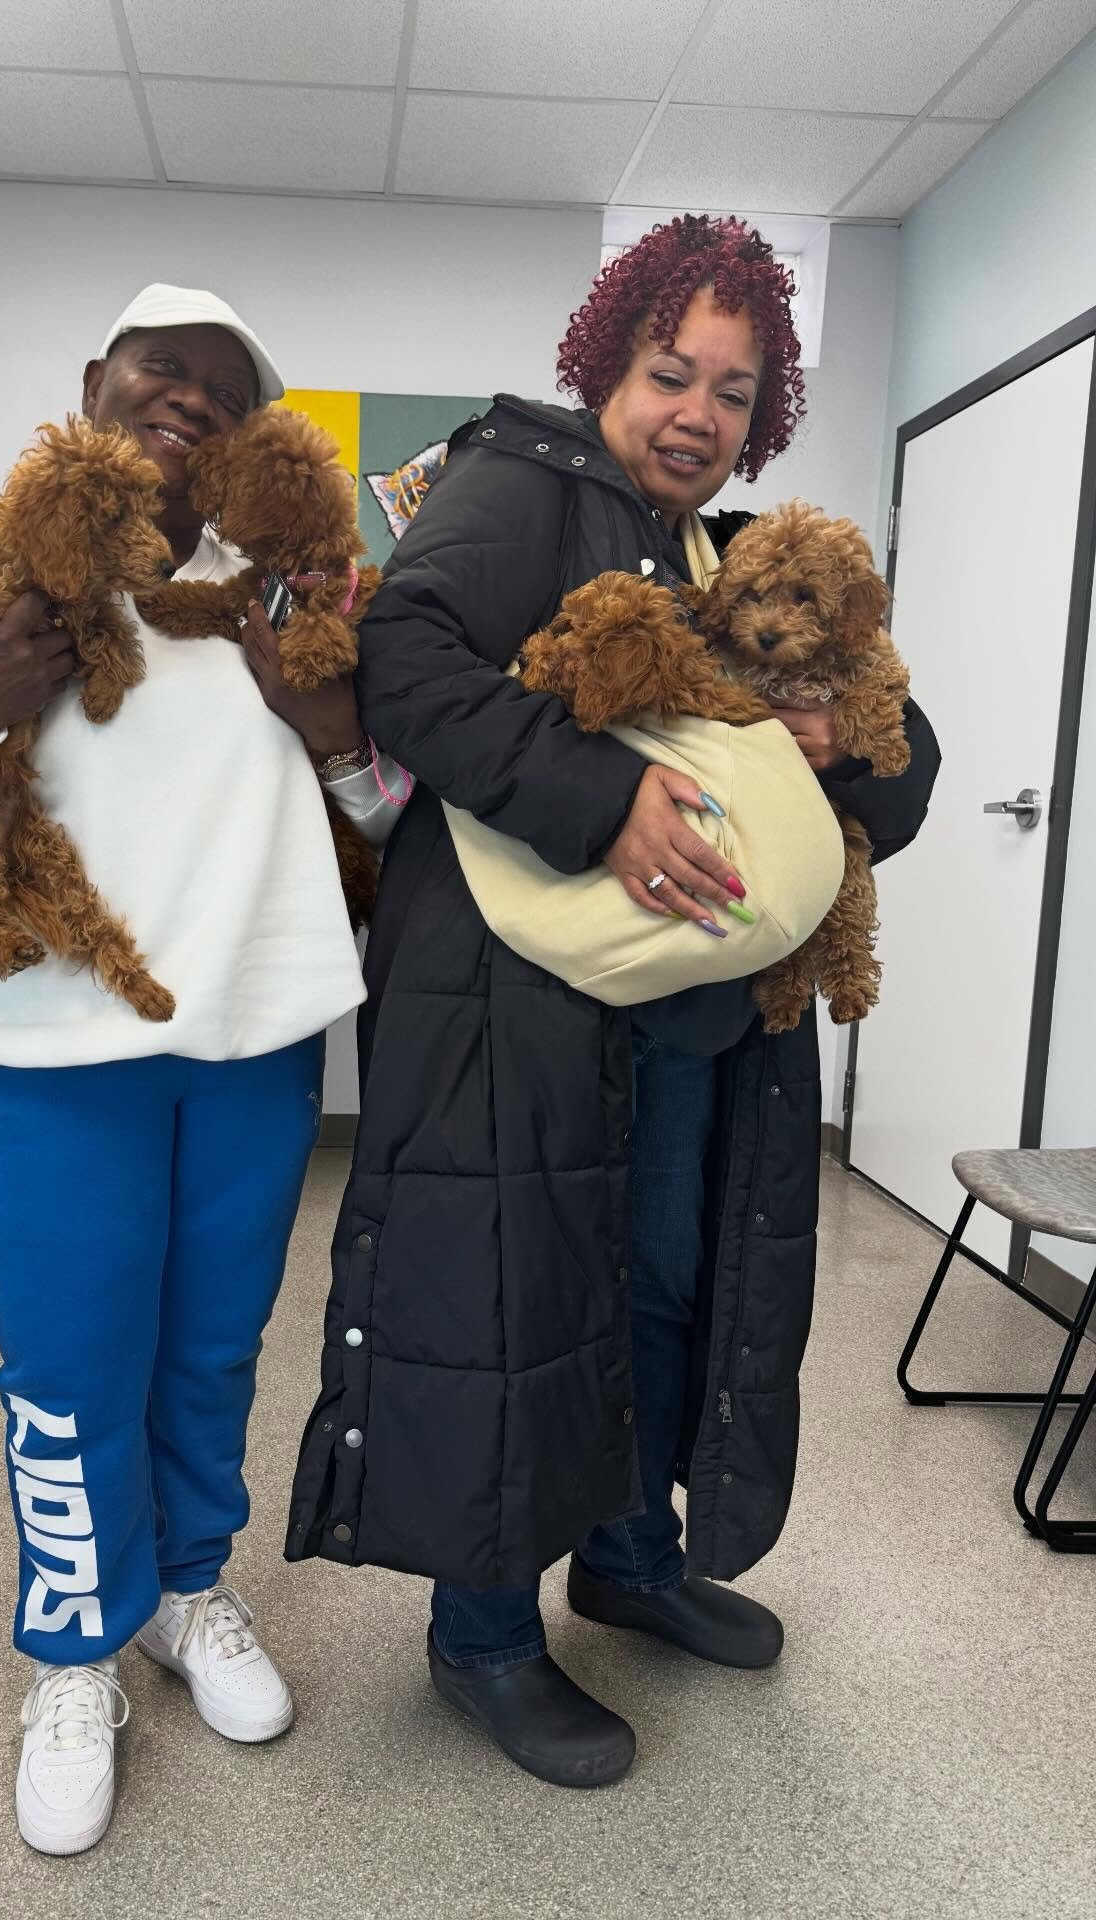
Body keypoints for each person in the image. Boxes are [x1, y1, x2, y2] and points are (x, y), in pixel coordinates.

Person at [286, 218, 941, 1787]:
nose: (695, 416)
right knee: (519, 1301)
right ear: (607, 365)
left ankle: (631, 1561)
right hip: (514, 1011)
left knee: (662, 1292)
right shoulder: (519, 488)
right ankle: (485, 1637)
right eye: (670, 374)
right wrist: (604, 802)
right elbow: (408, 665)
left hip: (701, 1029)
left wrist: (845, 749)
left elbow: (905, 756)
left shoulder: (741, 555)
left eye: (734, 391)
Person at [0, 284, 406, 1855]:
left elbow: (388, 813)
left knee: (212, 1350)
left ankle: (186, 1591)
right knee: (69, 1374)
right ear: (94, 383)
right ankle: (73, 1648)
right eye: (163, 369)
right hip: (57, 1054)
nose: (191, 400)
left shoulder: (283, 604)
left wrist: (329, 717)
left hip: (257, 1047)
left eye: (226, 388)